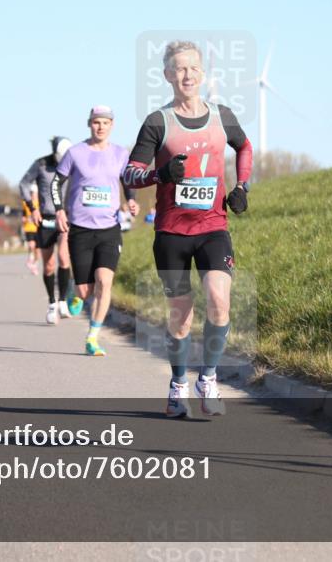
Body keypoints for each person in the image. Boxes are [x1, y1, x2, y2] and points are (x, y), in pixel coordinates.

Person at [123, 41, 252, 417]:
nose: (188, 75)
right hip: (171, 233)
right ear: (167, 75)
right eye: (179, 69)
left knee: (219, 299)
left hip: (213, 226)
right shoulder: (157, 122)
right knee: (181, 315)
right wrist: (159, 174)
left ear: (203, 73)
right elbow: (130, 172)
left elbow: (244, 148)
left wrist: (242, 186)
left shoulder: (221, 115)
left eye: (194, 68)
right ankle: (178, 383)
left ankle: (207, 377)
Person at [52, 105, 139, 356]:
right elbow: (57, 182)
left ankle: (93, 335)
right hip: (80, 228)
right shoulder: (75, 153)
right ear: (89, 124)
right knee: (85, 290)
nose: (100, 127)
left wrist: (131, 200)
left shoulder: (121, 154)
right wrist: (59, 210)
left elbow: (128, 181)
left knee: (105, 281)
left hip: (109, 228)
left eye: (105, 122)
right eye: (96, 122)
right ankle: (74, 290)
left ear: (112, 125)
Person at [19, 137, 80, 324]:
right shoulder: (41, 164)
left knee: (63, 256)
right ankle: (52, 303)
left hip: (65, 218)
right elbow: (23, 184)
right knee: (49, 264)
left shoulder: (74, 164)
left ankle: (62, 300)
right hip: (45, 218)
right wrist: (32, 208)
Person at [21, 190, 39, 276]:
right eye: (33, 194)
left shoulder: (40, 204)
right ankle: (30, 260)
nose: (34, 196)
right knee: (31, 245)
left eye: (35, 194)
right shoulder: (25, 204)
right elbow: (23, 216)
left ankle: (34, 265)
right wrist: (24, 219)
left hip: (38, 229)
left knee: (37, 251)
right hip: (29, 228)